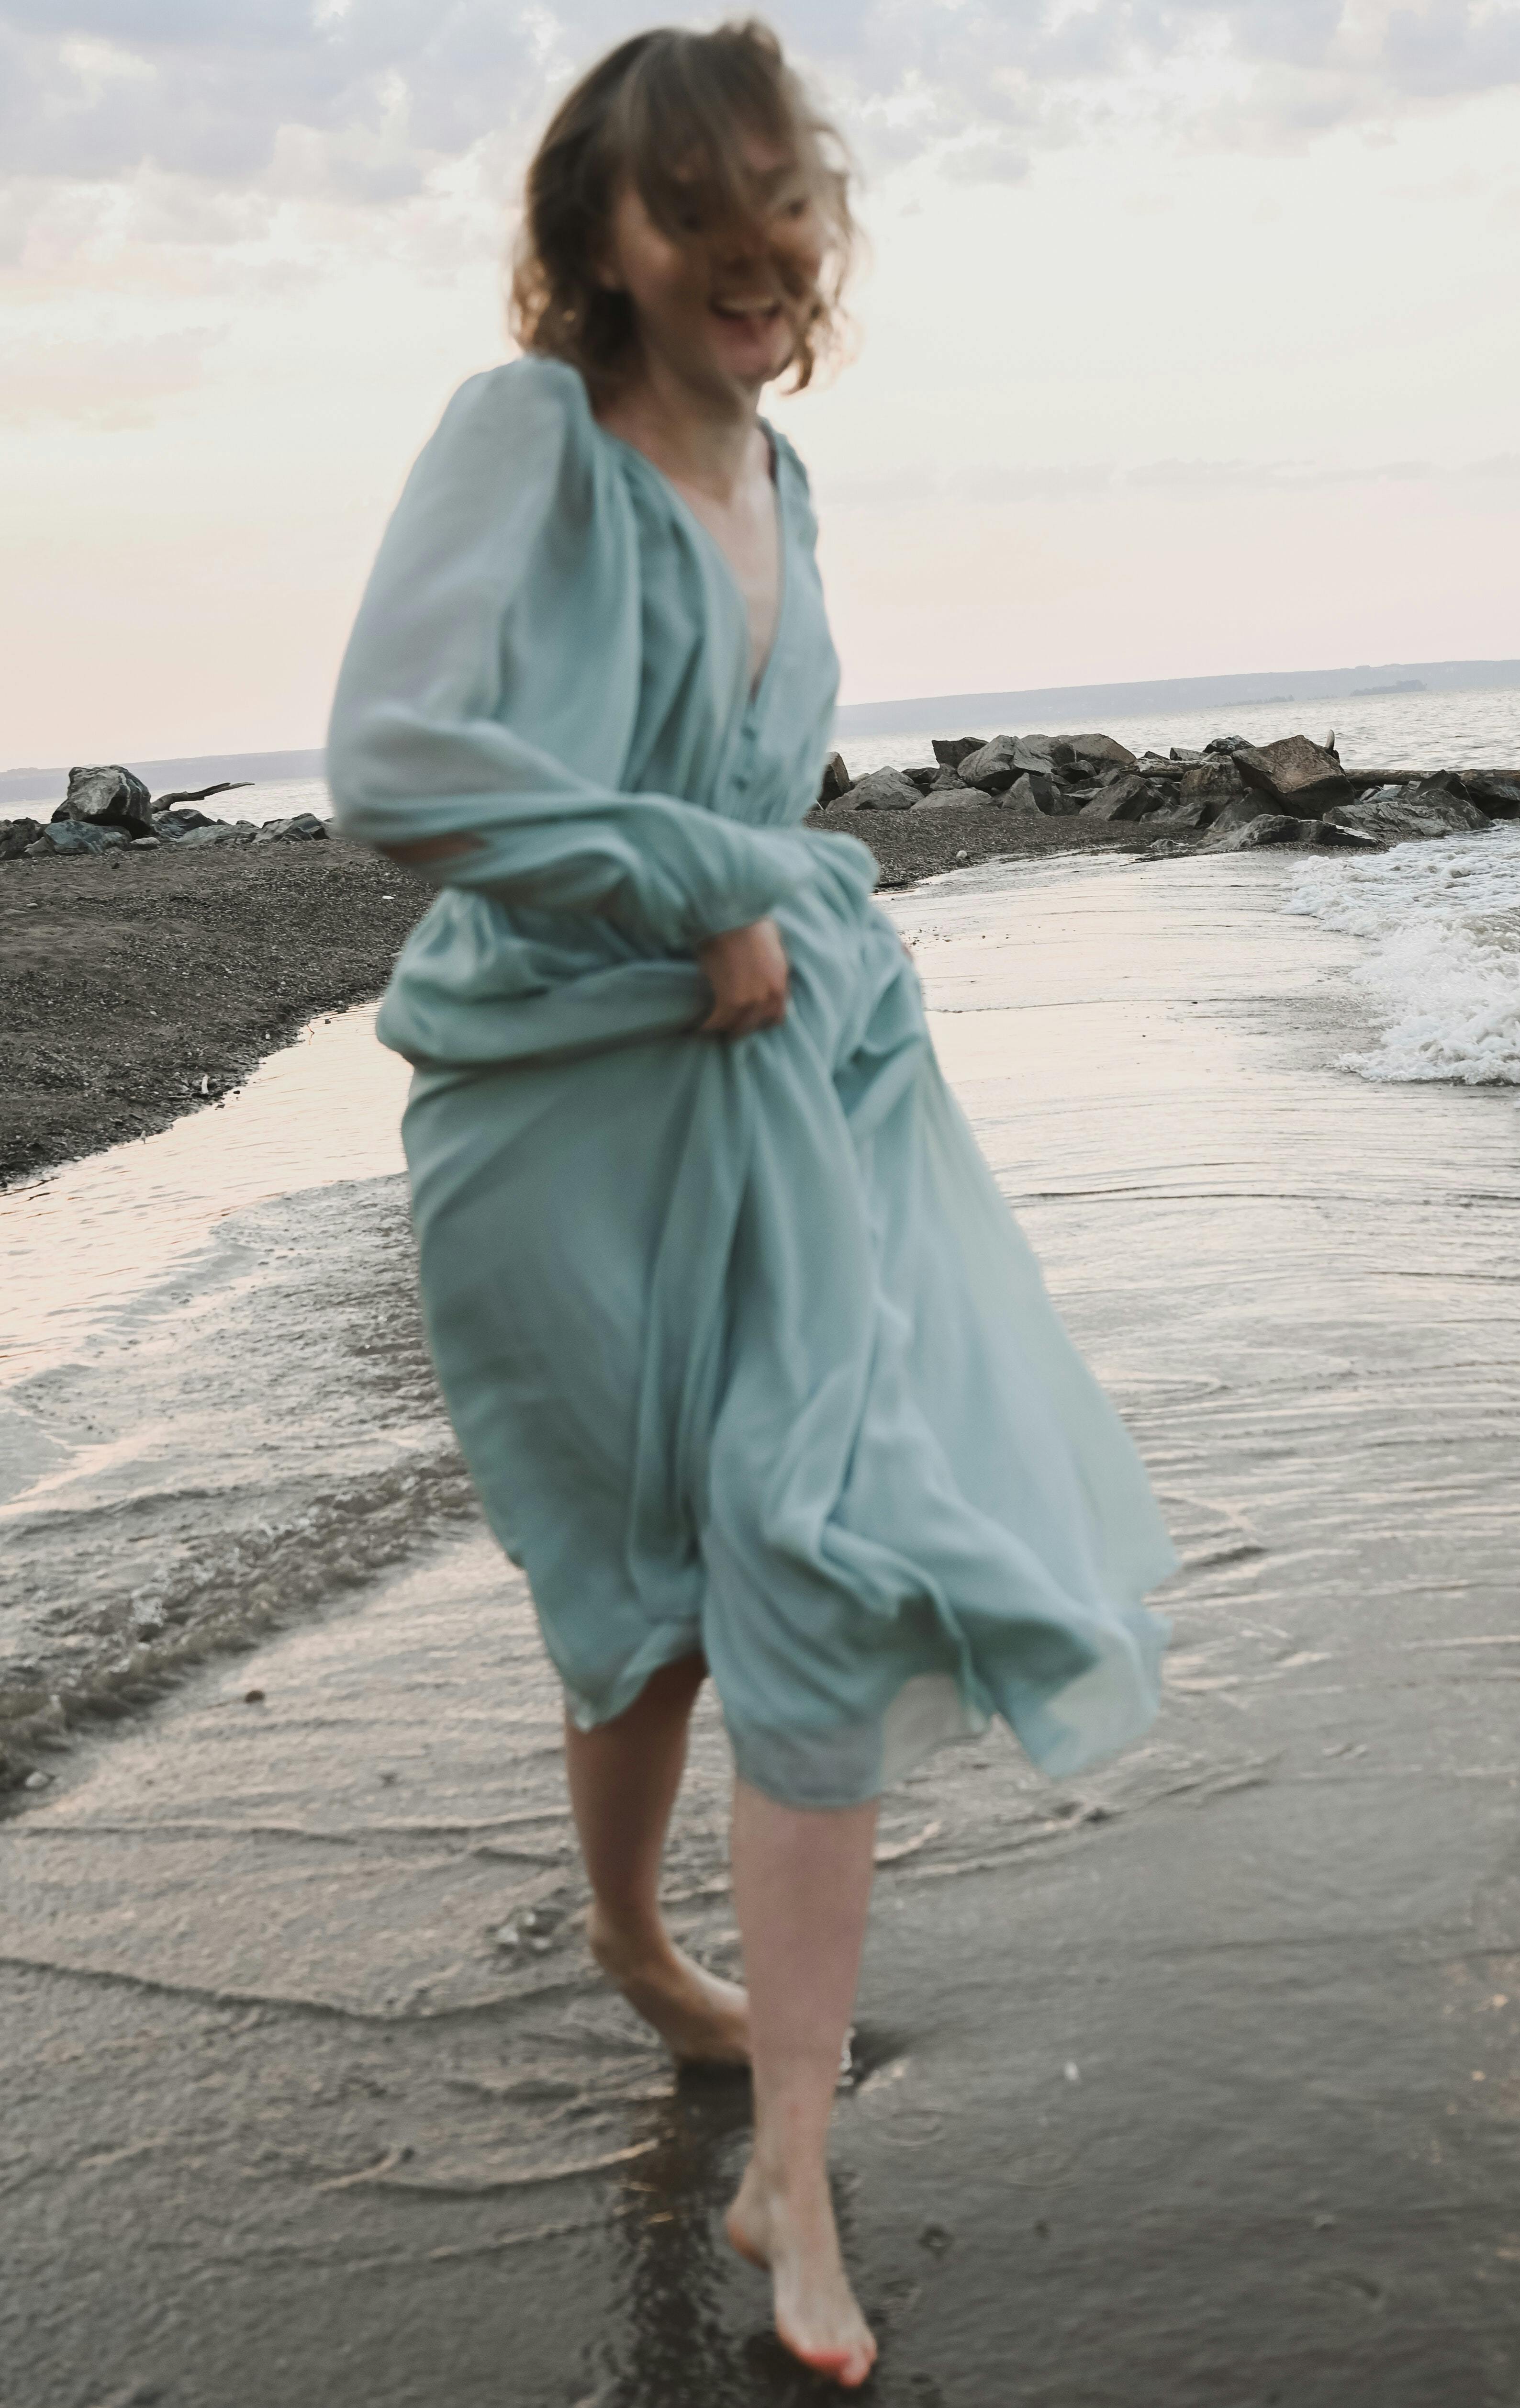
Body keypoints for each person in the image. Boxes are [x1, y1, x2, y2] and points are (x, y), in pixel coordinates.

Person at [327, 20, 1173, 2388]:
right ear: (595, 224)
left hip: (779, 1085)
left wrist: (765, 901)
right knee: (644, 1613)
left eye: (788, 200)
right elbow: (395, 762)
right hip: (552, 1113)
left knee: (817, 1551)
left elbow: (763, 793)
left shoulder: (785, 481)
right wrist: (696, 874)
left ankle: (787, 2165)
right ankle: (627, 1939)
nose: (760, 246)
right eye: (704, 201)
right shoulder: (533, 435)